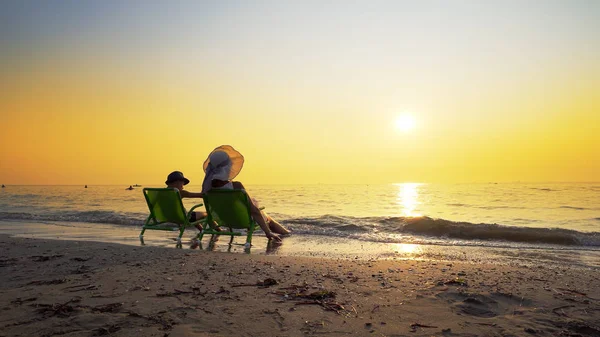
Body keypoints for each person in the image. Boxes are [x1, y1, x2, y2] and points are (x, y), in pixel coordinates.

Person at [201, 145, 291, 242]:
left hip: (224, 220)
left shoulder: (207, 189)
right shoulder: (236, 186)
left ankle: (287, 234)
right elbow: (254, 211)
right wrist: (267, 232)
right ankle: (288, 236)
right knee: (266, 217)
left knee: (259, 213)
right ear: (227, 167)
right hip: (242, 220)